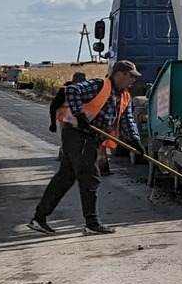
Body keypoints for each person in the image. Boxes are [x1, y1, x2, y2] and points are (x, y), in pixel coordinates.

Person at [29, 60, 139, 235]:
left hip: (91, 138)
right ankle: (92, 223)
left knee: (65, 177)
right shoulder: (99, 85)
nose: (133, 79)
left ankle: (39, 218)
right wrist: (80, 116)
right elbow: (71, 90)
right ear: (119, 74)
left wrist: (134, 140)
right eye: (131, 75)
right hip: (78, 134)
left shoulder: (124, 96)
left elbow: (127, 120)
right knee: (90, 176)